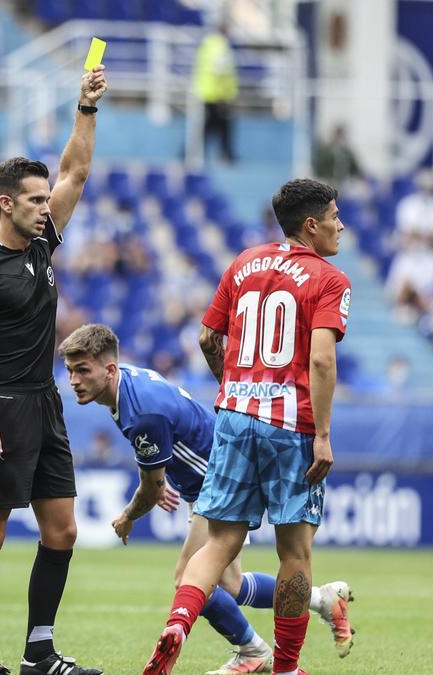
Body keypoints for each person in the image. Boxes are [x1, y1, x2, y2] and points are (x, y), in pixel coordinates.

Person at [60, 323, 355, 675]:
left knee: (189, 576)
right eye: (70, 371)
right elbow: (165, 450)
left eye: (82, 370)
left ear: (109, 370)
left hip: (216, 479)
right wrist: (160, 474)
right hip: (210, 473)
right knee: (229, 584)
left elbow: (151, 487)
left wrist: (128, 515)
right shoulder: (129, 385)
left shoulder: (140, 412)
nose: (74, 380)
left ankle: (253, 650)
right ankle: (323, 601)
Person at [143, 178, 351, 675]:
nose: (340, 225)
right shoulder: (330, 279)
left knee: (218, 544)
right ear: (311, 225)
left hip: (234, 418)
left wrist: (234, 387)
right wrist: (322, 434)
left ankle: (177, 624)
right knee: (295, 554)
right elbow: (321, 360)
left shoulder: (243, 263)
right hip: (292, 427)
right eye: (334, 216)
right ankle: (285, 668)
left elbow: (207, 336)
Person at [0, 65, 107, 675]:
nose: (47, 206)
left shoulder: (43, 244)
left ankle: (40, 651)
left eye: (46, 200)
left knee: (61, 530)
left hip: (45, 402)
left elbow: (76, 171)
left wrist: (85, 108)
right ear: (5, 204)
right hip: (0, 406)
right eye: (35, 200)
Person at [194, 20, 238, 164]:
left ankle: (195, 153)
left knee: (211, 126)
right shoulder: (220, 46)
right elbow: (221, 72)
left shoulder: (208, 44)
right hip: (217, 96)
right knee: (219, 126)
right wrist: (224, 96)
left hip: (208, 93)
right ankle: (226, 155)